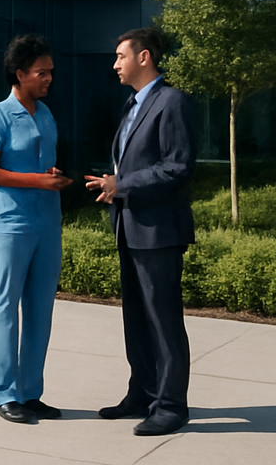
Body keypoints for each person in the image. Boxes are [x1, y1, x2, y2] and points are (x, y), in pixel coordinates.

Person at [84, 27, 196, 437]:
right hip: (130, 229)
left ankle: (171, 405)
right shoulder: (133, 105)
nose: (115, 64)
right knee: (136, 318)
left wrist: (122, 185)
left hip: (159, 232)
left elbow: (178, 166)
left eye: (120, 56)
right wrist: (114, 182)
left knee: (163, 321)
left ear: (144, 57)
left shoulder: (172, 102)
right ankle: (143, 392)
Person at [0, 33, 71, 424]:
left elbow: (41, 165)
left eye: (50, 72)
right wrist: (37, 181)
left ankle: (31, 393)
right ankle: (4, 394)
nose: (49, 78)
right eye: (41, 72)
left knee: (40, 309)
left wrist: (52, 176)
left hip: (48, 222)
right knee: (7, 306)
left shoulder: (46, 114)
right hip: (12, 224)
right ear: (20, 74)